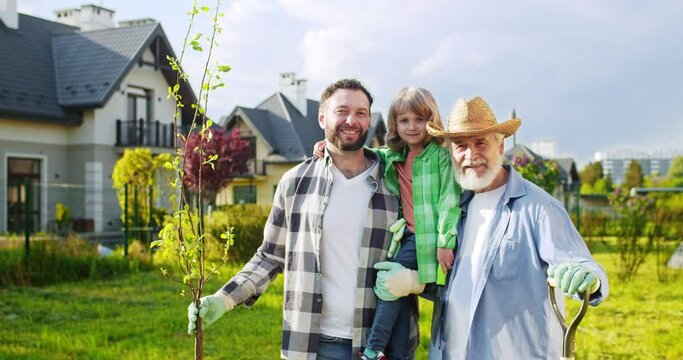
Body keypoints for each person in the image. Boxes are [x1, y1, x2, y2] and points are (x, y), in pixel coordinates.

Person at [186, 79, 419, 360]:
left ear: (369, 120)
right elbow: (270, 256)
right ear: (322, 117)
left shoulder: (395, 182)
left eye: (361, 113)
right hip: (311, 344)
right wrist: (223, 299)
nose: (351, 120)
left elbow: (423, 243)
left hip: (382, 344)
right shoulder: (295, 182)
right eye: (342, 111)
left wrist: (415, 281)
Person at [373, 96, 609, 359]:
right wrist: (415, 283)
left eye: (480, 143)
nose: (471, 155)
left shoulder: (539, 208)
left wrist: (589, 278)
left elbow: (581, 265)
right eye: (460, 145)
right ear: (450, 151)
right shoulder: (454, 210)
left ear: (501, 146)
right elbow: (458, 285)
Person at [313, 87, 461, 359]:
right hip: (406, 236)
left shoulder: (441, 157)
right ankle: (397, 351)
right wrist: (328, 147)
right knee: (400, 297)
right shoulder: (394, 156)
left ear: (432, 120)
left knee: (388, 286)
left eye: (421, 119)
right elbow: (364, 154)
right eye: (405, 120)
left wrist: (445, 242)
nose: (413, 127)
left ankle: (374, 348)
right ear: (395, 124)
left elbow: (449, 202)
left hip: (426, 238)